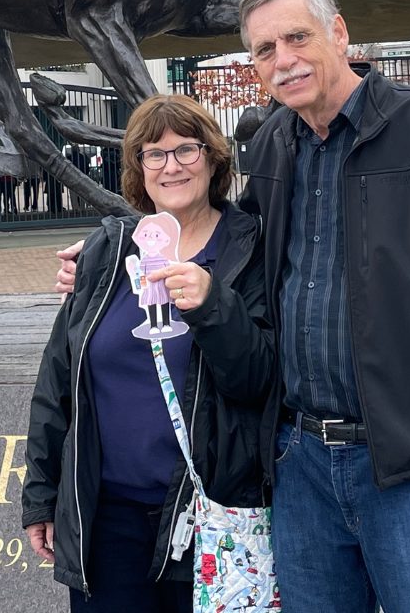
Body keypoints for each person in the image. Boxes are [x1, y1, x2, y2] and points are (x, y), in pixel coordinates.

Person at [56, 0, 410, 613]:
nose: (283, 60)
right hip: (301, 463)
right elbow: (217, 235)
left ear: (339, 34)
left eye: (297, 38)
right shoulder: (276, 144)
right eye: (263, 49)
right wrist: (111, 253)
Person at [22, 94, 274, 612]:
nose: (171, 166)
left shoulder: (250, 251)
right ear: (139, 167)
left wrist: (211, 303)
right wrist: (41, 498)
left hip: (210, 515)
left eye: (187, 149)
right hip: (108, 518)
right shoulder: (107, 252)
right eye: (153, 154)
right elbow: (58, 385)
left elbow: (258, 378)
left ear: (214, 158)